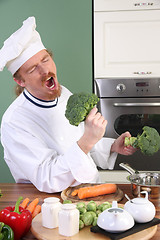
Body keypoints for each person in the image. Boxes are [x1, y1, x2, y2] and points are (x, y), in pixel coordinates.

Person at [0, 17, 136, 193]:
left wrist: (111, 146)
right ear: (20, 80)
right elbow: (46, 178)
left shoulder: (64, 94)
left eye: (45, 59)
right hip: (48, 202)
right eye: (33, 69)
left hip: (90, 192)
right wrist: (88, 140)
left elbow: (76, 143)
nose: (45, 70)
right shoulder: (14, 122)